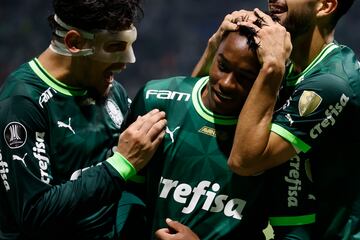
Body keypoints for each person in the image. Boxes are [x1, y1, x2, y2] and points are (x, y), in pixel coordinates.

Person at [126, 21, 315, 240]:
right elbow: (127, 192)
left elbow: (296, 234)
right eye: (223, 66)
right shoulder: (156, 98)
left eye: (244, 78)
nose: (226, 83)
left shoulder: (278, 138)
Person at [0, 0, 167, 239]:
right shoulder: (23, 103)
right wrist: (120, 165)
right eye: (115, 46)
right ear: (74, 42)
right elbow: (33, 212)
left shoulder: (111, 90)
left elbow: (154, 140)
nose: (128, 61)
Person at [194, 1, 360, 239]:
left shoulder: (331, 82)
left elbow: (244, 161)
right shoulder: (290, 64)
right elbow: (190, 106)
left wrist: (272, 66)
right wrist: (215, 45)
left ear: (325, 6)